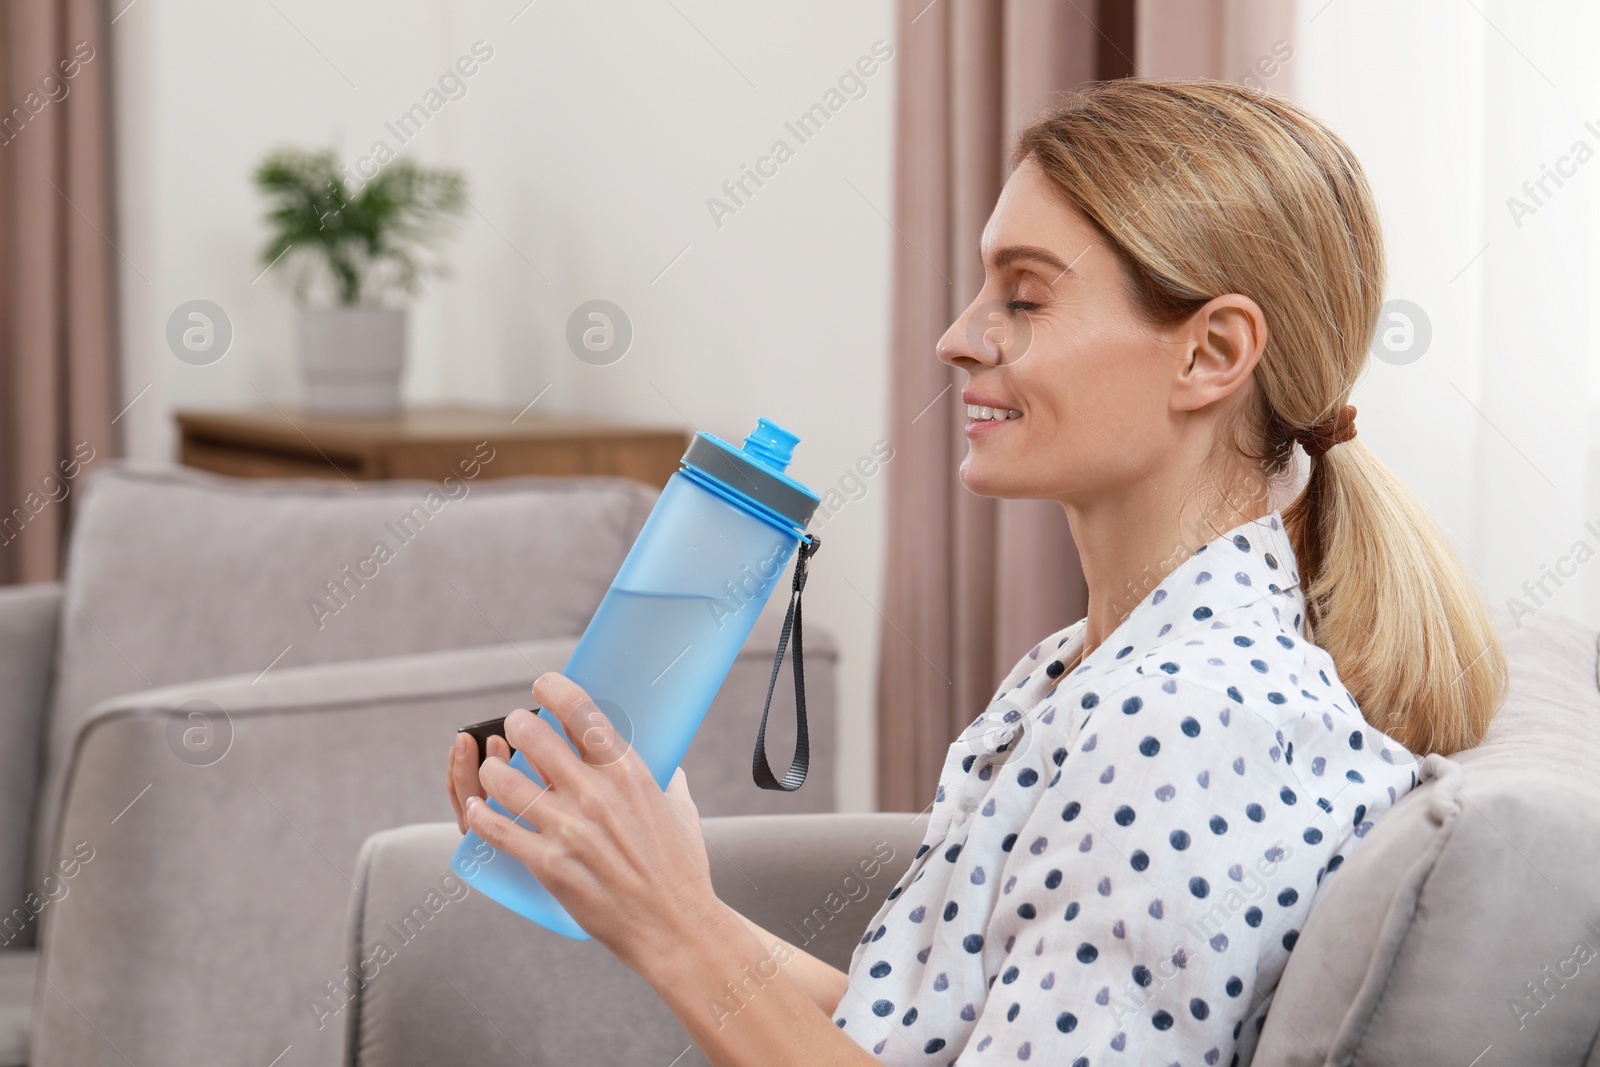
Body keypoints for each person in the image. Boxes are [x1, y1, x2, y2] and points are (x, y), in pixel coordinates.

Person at [445, 78, 1508, 1066]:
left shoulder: (1190, 718)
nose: (957, 338)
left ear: (1210, 353)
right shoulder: (1085, 667)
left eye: (1026, 298)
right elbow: (916, 1034)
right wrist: (650, 882)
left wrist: (670, 925)